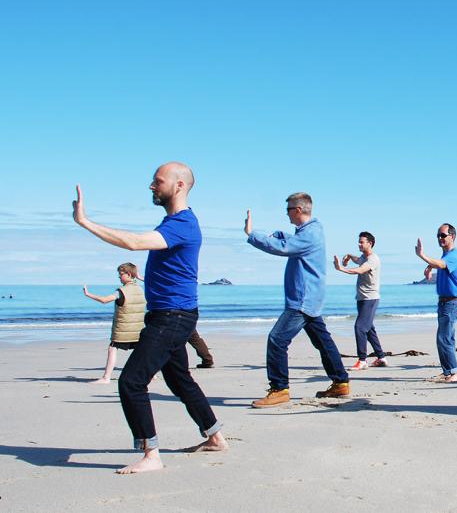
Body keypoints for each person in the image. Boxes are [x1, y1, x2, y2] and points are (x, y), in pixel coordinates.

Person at [71, 163, 226, 474]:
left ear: (179, 185)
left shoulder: (181, 224)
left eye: (158, 181)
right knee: (179, 379)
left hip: (171, 318)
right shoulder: (175, 222)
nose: (151, 186)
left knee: (131, 382)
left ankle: (151, 454)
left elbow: (134, 242)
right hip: (173, 315)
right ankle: (215, 436)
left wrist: (86, 222)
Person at [246, 193, 350, 407]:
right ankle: (340, 382)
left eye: (288, 211)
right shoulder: (311, 230)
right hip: (310, 298)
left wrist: (252, 234)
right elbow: (288, 239)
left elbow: (283, 247)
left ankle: (279, 389)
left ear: (298, 210)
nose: (287, 215)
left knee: (277, 339)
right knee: (323, 342)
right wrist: (273, 233)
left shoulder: (309, 234)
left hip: (302, 300)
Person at [81, 263, 145, 384]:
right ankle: (150, 375)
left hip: (123, 328)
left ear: (129, 274)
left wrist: (88, 294)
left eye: (121, 274)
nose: (119, 277)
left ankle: (106, 377)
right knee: (141, 351)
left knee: (113, 348)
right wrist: (141, 277)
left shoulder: (121, 291)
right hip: (138, 328)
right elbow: (154, 284)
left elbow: (104, 300)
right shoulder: (140, 289)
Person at [416, 223, 457, 383]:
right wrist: (429, 266)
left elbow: (442, 265)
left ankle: (454, 373)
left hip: (452, 302)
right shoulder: (445, 256)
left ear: (453, 236)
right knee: (445, 338)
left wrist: (422, 256)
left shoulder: (453, 255)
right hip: (444, 302)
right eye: (438, 235)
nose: (440, 238)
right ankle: (448, 372)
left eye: (443, 235)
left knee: (444, 338)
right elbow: (439, 263)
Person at [334, 231, 388, 370]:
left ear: (370, 244)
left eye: (361, 242)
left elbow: (360, 269)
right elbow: (357, 260)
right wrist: (348, 256)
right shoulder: (364, 257)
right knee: (369, 329)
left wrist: (341, 269)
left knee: (359, 327)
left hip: (370, 299)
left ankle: (362, 360)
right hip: (362, 299)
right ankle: (381, 357)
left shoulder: (372, 259)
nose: (359, 244)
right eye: (359, 242)